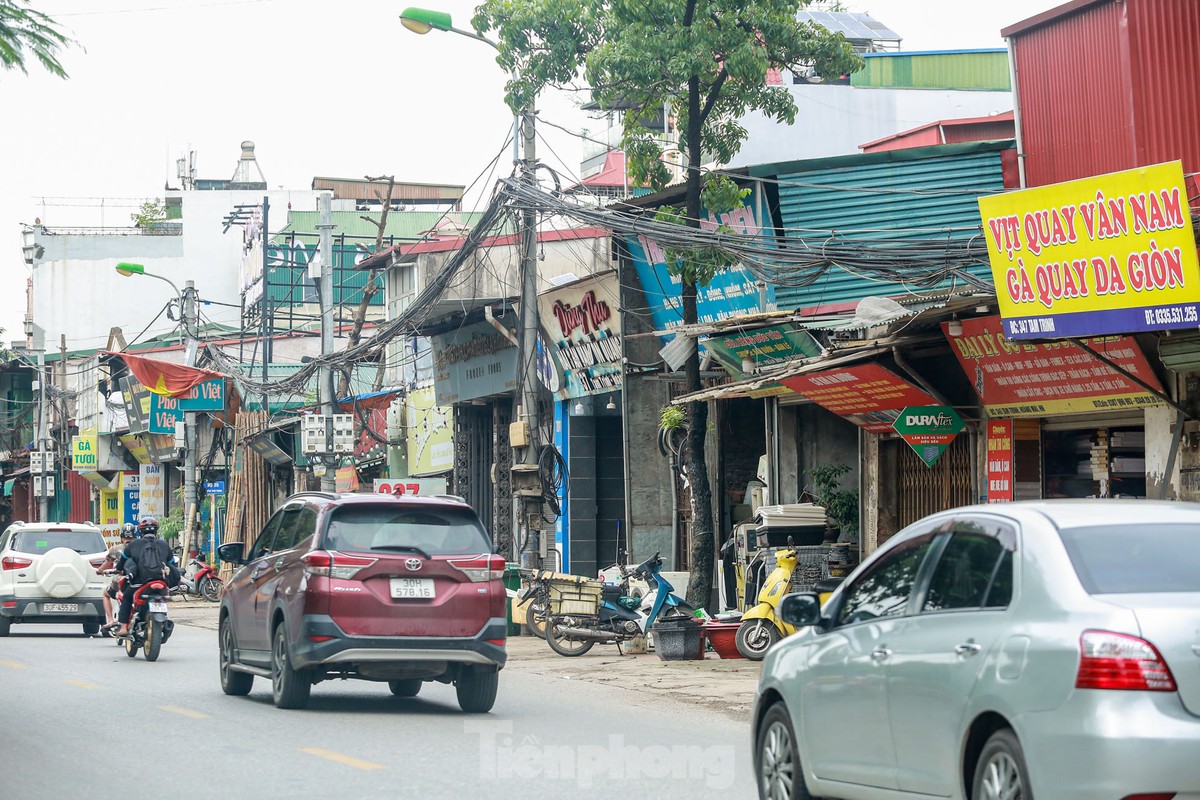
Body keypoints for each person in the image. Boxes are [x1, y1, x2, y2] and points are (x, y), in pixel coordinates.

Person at [113, 518, 174, 637]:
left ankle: (124, 627)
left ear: (140, 532)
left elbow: (122, 562)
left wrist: (119, 570)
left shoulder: (134, 544)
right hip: (161, 582)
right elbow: (172, 563)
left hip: (140, 582)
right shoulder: (164, 545)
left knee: (127, 597)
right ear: (156, 531)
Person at [95, 524, 136, 634]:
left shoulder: (116, 549)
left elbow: (106, 564)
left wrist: (99, 571)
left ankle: (111, 620)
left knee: (105, 593)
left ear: (122, 538)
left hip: (119, 582)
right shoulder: (139, 547)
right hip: (137, 580)